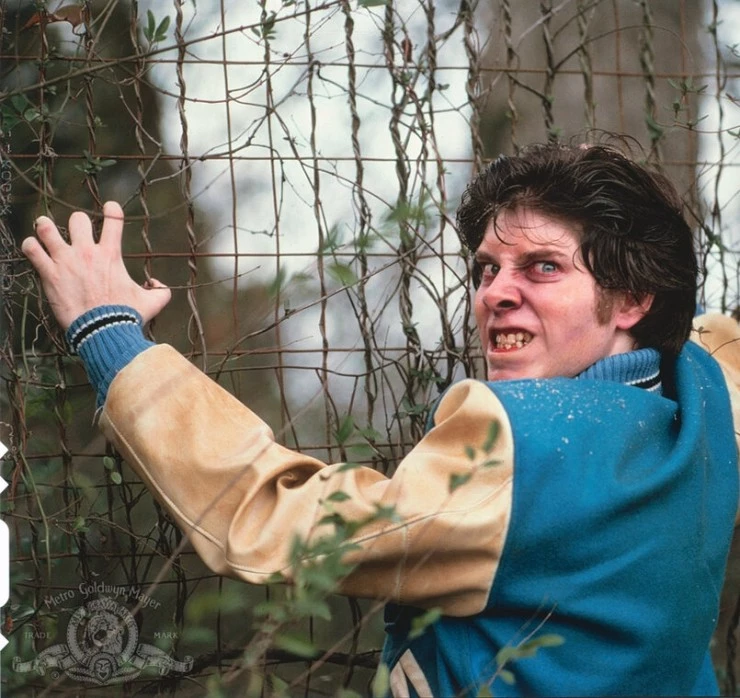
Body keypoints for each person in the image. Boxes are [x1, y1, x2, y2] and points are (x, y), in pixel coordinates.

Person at [21, 141, 740, 697]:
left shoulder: (521, 446)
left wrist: (110, 334)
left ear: (633, 298)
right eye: (487, 268)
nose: (495, 293)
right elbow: (716, 337)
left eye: (543, 267)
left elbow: (274, 516)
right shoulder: (706, 399)